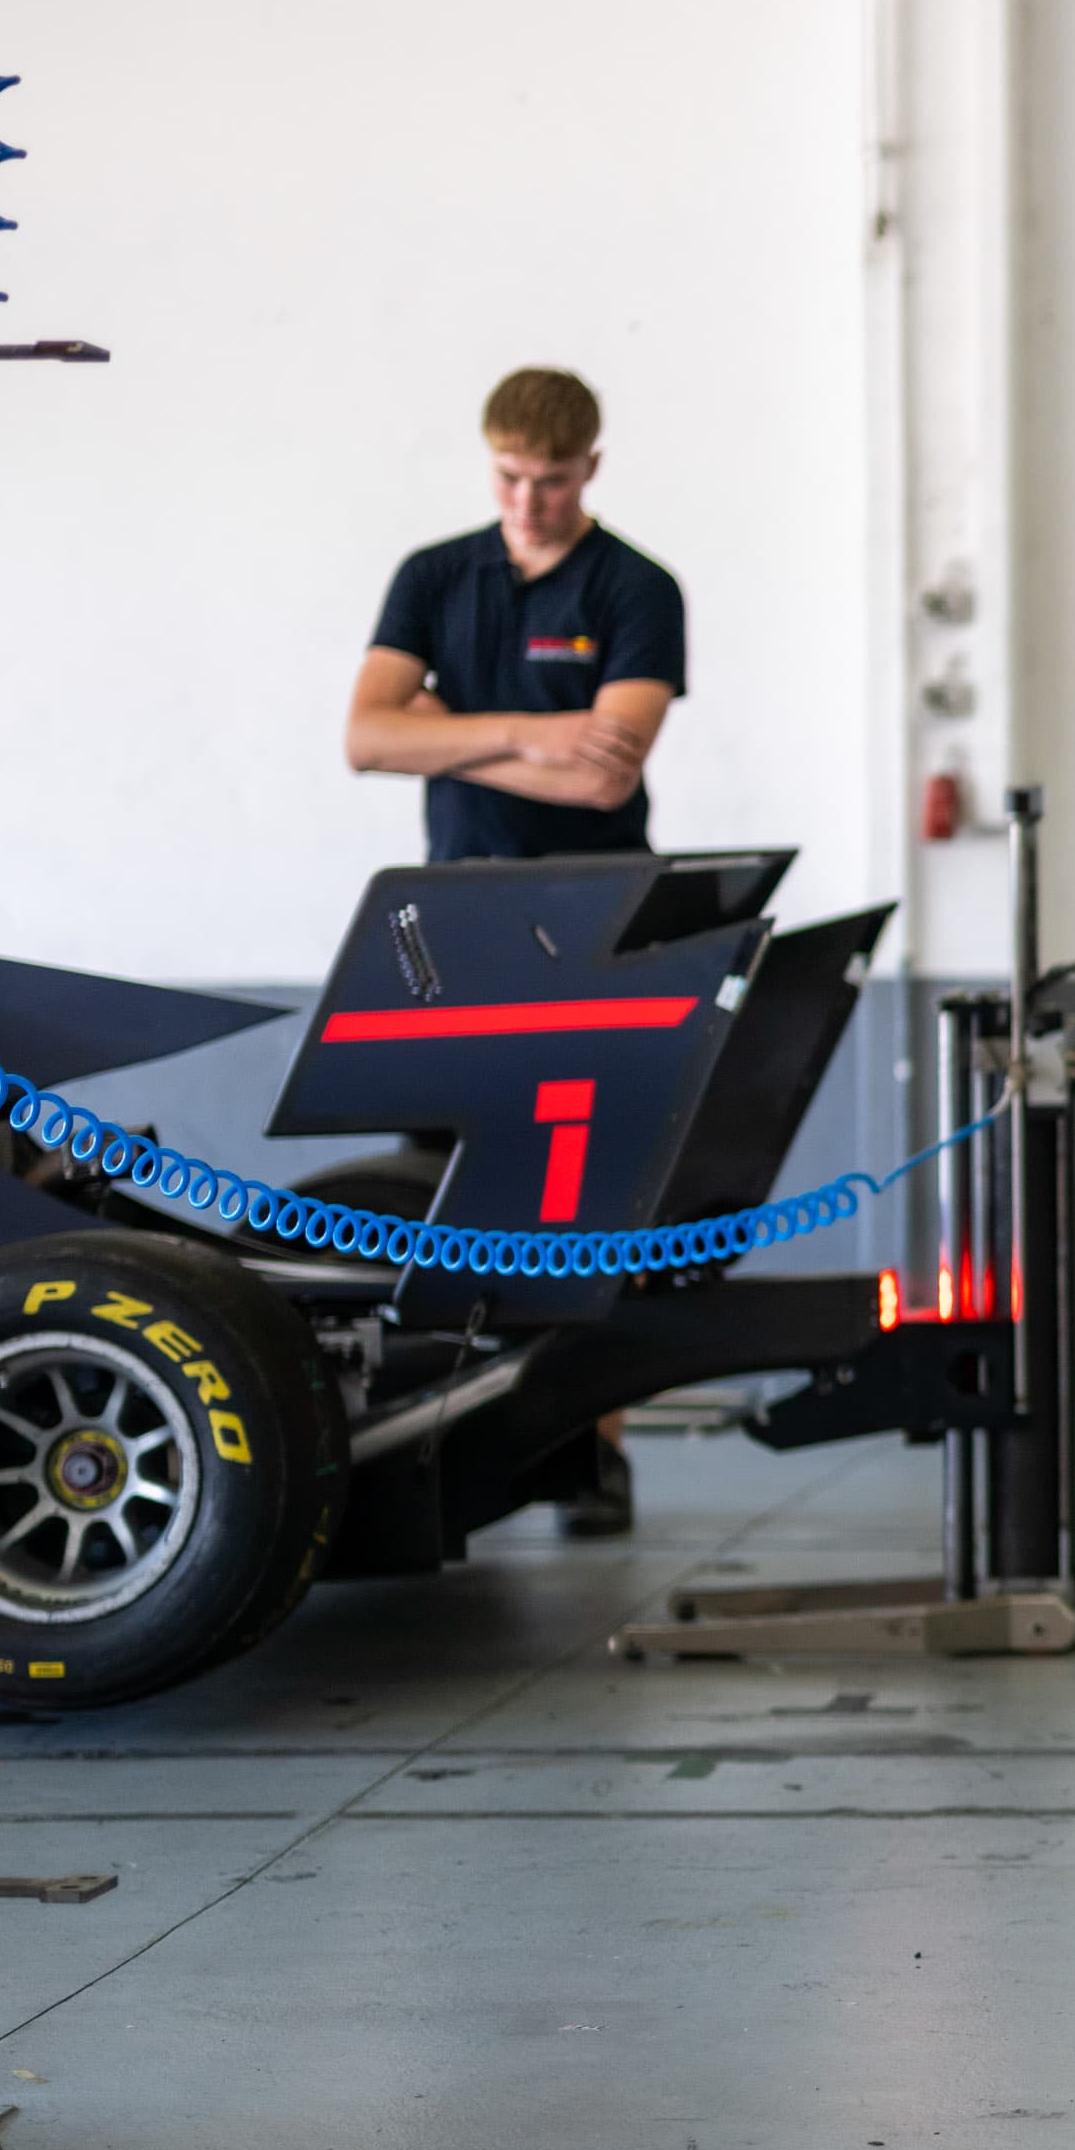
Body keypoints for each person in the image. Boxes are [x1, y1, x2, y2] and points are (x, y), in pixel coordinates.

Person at [342, 366, 687, 1535]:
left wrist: (442, 735)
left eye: (549, 481)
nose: (529, 502)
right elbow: (363, 737)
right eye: (509, 478)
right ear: (486, 462)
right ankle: (433, 1434)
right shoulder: (435, 577)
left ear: (591, 467)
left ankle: (589, 1448)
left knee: (582, 1186)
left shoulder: (638, 588)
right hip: (452, 929)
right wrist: (538, 731)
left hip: (595, 921)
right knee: (435, 1181)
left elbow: (608, 775)